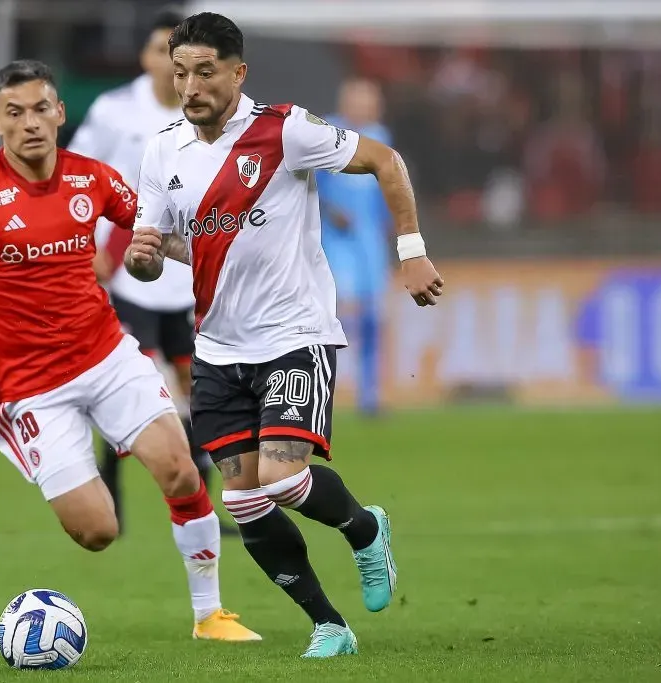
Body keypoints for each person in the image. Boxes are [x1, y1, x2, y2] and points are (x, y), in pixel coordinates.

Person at [0, 59, 259, 642]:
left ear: (61, 113)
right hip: (32, 390)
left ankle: (209, 616)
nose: (31, 124)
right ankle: (59, 465)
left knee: (179, 468)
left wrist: (216, 255)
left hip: (108, 356)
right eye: (15, 113)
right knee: (98, 530)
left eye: (42, 108)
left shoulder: (91, 178)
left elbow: (153, 234)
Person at [125, 13, 444, 658]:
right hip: (217, 347)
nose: (190, 86)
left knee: (279, 479)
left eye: (205, 72)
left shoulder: (285, 130)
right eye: (181, 72)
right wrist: (144, 257)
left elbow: (385, 160)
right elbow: (166, 248)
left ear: (238, 73)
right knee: (242, 501)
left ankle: (362, 528)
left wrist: (409, 249)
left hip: (295, 337)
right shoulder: (162, 150)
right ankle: (330, 624)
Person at [67, 6, 235, 536]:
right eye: (165, 52)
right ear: (146, 56)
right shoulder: (116, 111)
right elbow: (78, 175)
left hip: (188, 281)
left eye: (182, 55)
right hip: (126, 278)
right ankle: (110, 492)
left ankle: (205, 502)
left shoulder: (209, 112)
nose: (172, 65)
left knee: (197, 389)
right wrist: (86, 244)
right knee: (126, 386)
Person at [315, 78, 392, 415]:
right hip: (335, 240)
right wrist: (330, 211)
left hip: (370, 240)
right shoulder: (326, 133)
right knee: (340, 314)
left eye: (370, 102)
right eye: (359, 101)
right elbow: (309, 185)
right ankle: (322, 388)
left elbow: (388, 188)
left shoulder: (381, 136)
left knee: (375, 316)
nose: (366, 108)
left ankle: (369, 394)